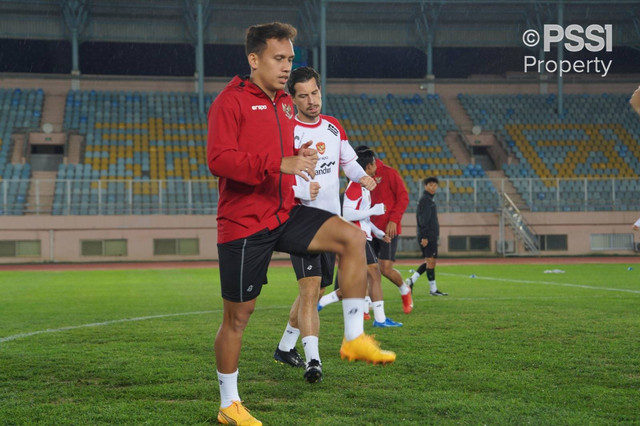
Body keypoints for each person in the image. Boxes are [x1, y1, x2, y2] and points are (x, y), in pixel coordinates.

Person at [207, 22, 395, 425]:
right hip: (243, 224)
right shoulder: (230, 102)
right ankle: (229, 405)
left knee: (353, 237)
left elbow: (288, 145)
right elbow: (219, 160)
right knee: (238, 318)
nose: (286, 67)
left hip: (284, 212)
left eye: (290, 59)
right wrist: (281, 163)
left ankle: (354, 339)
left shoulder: (284, 104)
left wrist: (300, 152)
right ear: (254, 59)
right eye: (279, 59)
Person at [273, 66, 377, 384]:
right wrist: (304, 190)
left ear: (321, 90)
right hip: (301, 224)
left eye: (315, 93)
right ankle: (313, 361)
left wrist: (362, 176)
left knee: (318, 290)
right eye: (303, 96)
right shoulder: (288, 131)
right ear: (293, 99)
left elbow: (346, 161)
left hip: (331, 225)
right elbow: (278, 177)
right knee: (308, 292)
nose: (311, 101)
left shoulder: (333, 127)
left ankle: (284, 347)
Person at [339, 148, 403, 328]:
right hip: (357, 238)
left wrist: (378, 233)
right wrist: (373, 211)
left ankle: (373, 316)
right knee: (373, 274)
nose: (376, 166)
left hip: (364, 236)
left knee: (363, 277)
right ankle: (379, 319)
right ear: (368, 166)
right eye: (374, 163)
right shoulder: (355, 186)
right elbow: (347, 213)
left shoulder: (364, 186)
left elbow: (363, 217)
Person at [355, 145, 413, 314]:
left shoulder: (389, 173)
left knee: (385, 269)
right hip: (366, 229)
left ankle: (404, 289)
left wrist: (394, 220)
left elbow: (403, 197)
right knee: (367, 268)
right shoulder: (359, 176)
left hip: (388, 229)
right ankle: (366, 306)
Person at [404, 177, 448, 296]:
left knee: (430, 261)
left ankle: (414, 281)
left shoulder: (428, 199)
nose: (433, 187)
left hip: (430, 235)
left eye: (435, 185)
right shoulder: (425, 200)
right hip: (427, 236)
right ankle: (418, 284)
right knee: (430, 261)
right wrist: (424, 237)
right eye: (430, 185)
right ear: (425, 186)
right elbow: (423, 220)